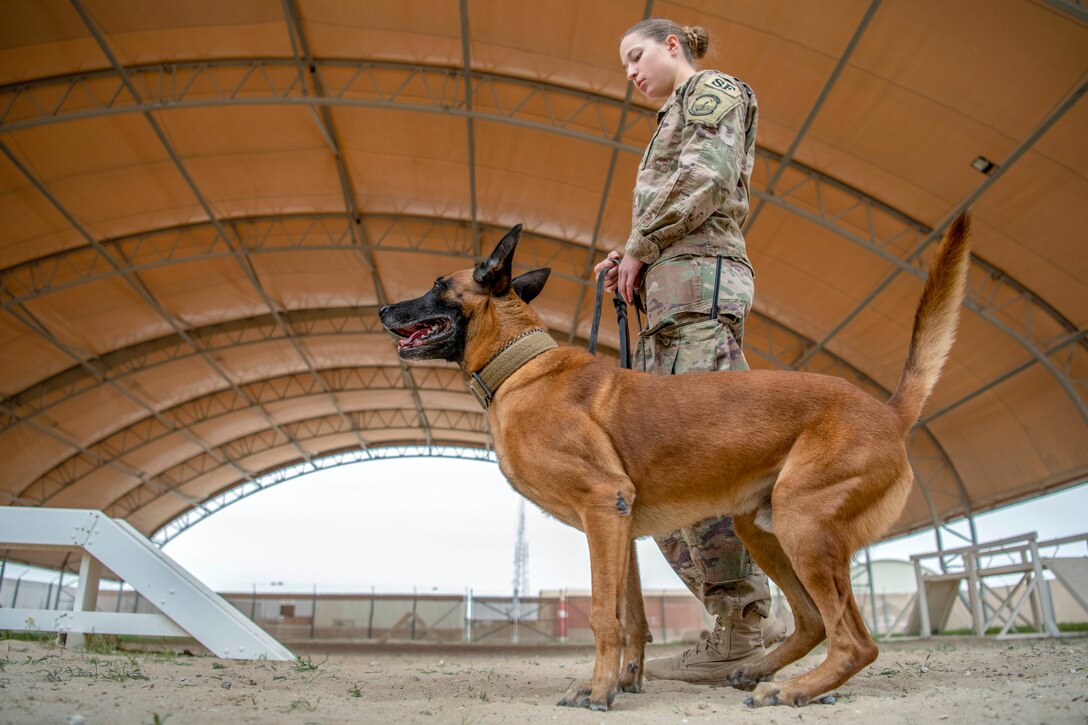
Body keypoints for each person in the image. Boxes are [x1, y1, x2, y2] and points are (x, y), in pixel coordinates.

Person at [593, 17, 786, 684]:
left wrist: (642, 247)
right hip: (670, 310)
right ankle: (736, 616)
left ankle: (745, 621)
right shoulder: (669, 117)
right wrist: (634, 251)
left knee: (712, 462)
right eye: (624, 65)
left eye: (637, 55)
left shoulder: (712, 92)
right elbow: (673, 203)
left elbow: (707, 181)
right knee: (664, 477)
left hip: (699, 297)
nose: (631, 73)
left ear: (672, 44)